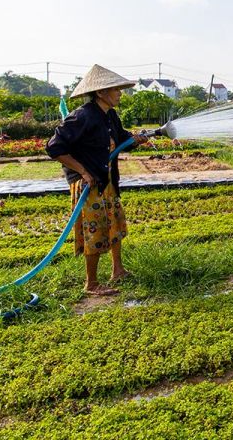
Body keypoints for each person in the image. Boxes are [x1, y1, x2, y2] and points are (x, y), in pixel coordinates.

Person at [45, 65, 149, 296]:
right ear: (101, 92)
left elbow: (122, 139)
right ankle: (91, 284)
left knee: (114, 223)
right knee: (94, 230)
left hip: (107, 180)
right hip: (89, 185)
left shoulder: (109, 115)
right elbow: (54, 148)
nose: (120, 93)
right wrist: (83, 171)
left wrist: (137, 139)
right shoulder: (82, 116)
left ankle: (118, 270)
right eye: (116, 90)